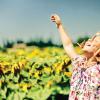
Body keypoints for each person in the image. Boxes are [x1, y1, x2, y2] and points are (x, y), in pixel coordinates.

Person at [51, 14, 100, 100]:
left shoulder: (98, 69)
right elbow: (68, 45)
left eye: (94, 41)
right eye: (91, 38)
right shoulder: (79, 62)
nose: (89, 40)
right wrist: (59, 25)